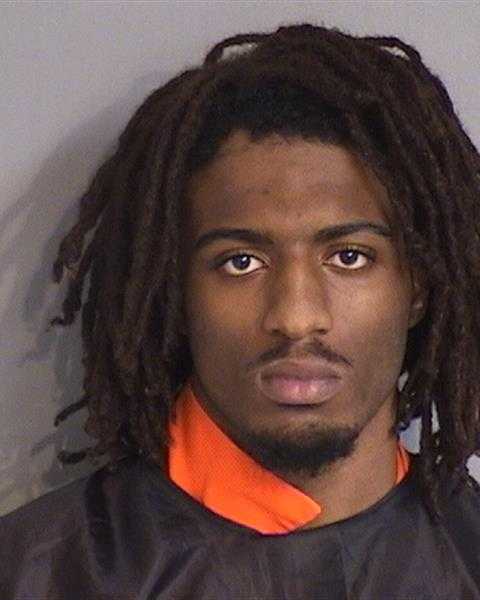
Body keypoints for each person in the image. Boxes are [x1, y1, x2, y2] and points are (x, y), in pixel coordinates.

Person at [1, 22, 480, 599]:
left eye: (349, 256)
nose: (296, 317)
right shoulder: (36, 575)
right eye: (241, 262)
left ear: (419, 285)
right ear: (177, 290)